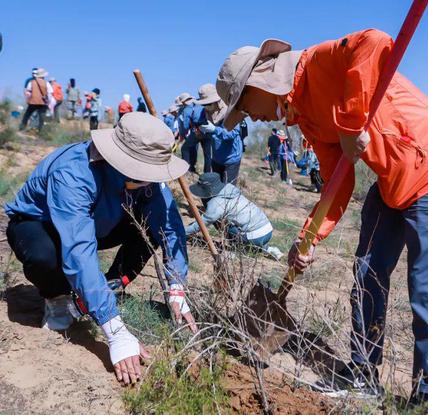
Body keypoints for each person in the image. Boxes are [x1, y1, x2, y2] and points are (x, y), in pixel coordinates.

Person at [215, 29, 428, 404]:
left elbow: (374, 42)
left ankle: (427, 399)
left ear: (260, 83)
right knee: (367, 272)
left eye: (245, 106)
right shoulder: (305, 116)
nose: (251, 116)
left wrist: (351, 124)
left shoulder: (317, 62)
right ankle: (363, 375)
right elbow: (337, 180)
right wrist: (308, 239)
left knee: (426, 291)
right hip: (391, 180)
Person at [4, 112, 196, 386]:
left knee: (149, 227)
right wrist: (114, 329)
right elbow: (78, 250)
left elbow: (169, 226)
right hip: (41, 225)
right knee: (44, 257)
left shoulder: (146, 178)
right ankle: (57, 298)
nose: (152, 180)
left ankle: (106, 287)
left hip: (97, 222)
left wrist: (176, 286)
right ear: (121, 161)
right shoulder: (73, 173)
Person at [185, 173, 282, 259]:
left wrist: (182, 232)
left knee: (222, 223)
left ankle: (236, 252)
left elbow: (201, 224)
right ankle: (266, 248)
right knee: (239, 223)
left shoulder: (217, 204)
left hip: (254, 237)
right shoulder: (229, 189)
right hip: (267, 230)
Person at [195, 83, 243, 183]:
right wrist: (200, 132)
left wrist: (215, 130)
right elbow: (204, 128)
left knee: (228, 191)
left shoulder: (230, 111)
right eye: (203, 104)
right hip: (217, 157)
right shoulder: (204, 113)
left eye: (208, 104)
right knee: (217, 187)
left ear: (216, 100)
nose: (206, 107)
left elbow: (232, 134)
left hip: (231, 158)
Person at [176, 92, 205, 174]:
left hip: (196, 131)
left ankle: (187, 169)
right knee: (207, 154)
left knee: (185, 148)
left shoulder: (187, 108)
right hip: (208, 130)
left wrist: (182, 134)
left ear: (183, 102)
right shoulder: (199, 104)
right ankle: (207, 174)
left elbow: (185, 126)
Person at [20, 68, 52, 132]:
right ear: (43, 76)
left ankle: (22, 128)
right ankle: (40, 130)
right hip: (43, 103)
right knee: (41, 117)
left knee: (27, 115)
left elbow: (28, 92)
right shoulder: (47, 83)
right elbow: (50, 93)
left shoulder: (31, 82)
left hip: (33, 102)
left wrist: (28, 99)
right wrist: (48, 101)